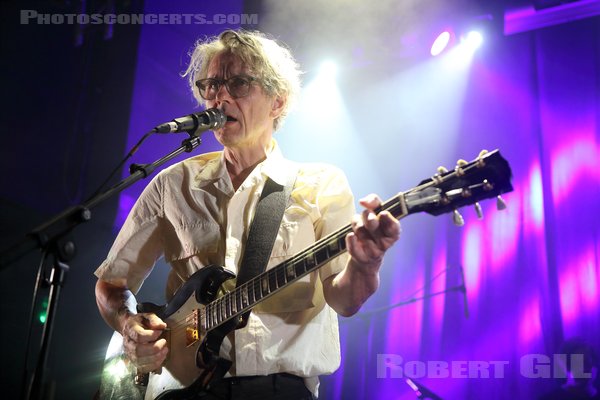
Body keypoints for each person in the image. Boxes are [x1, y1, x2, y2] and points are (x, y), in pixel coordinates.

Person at [94, 29, 400, 400]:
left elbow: (346, 301)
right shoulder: (173, 184)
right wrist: (129, 324)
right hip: (180, 391)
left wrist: (367, 264)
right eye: (211, 85)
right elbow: (111, 283)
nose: (219, 97)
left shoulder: (322, 184)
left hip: (280, 390)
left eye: (237, 83)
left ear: (278, 102)